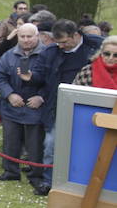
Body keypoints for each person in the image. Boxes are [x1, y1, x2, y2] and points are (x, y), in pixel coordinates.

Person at [37, 19, 103, 194]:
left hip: (89, 106)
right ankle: (48, 180)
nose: (61, 46)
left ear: (76, 35)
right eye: (58, 43)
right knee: (51, 143)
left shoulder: (96, 47)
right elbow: (43, 78)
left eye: (64, 42)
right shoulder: (51, 52)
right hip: (59, 105)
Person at [0, 23, 47, 193]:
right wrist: (9, 95)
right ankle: (10, 171)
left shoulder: (47, 55)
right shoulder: (9, 55)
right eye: (22, 36)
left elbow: (53, 80)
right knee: (11, 141)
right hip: (12, 106)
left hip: (36, 107)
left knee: (35, 144)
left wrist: (41, 97)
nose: (25, 40)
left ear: (37, 36)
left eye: (29, 36)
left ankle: (36, 175)